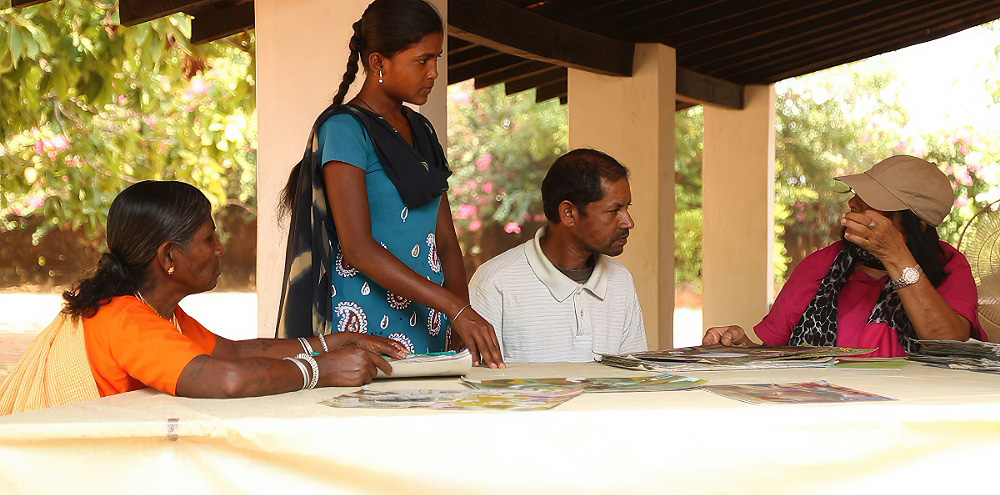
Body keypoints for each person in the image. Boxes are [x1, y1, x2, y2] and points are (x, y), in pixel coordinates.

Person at [0, 181, 407, 415]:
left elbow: (230, 353)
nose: (220, 248)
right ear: (168, 256)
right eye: (207, 238)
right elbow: (227, 380)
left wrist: (332, 342)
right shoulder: (125, 319)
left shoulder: (152, 310)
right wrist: (324, 370)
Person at [277, 0, 503, 368]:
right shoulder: (344, 129)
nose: (433, 72)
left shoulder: (422, 130)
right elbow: (357, 248)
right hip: (365, 323)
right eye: (421, 60)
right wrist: (453, 305)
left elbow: (444, 239)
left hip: (429, 321)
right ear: (378, 62)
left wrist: (459, 316)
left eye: (437, 59)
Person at [703, 155, 986, 357]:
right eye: (858, 196)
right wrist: (742, 350)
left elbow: (948, 345)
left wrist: (897, 258)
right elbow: (775, 355)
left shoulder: (948, 265)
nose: (854, 204)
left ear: (917, 227)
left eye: (876, 204)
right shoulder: (821, 265)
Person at [468, 149, 647, 362]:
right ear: (568, 213)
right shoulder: (494, 283)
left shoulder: (621, 280)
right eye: (614, 211)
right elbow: (479, 385)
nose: (628, 222)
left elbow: (634, 379)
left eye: (627, 208)